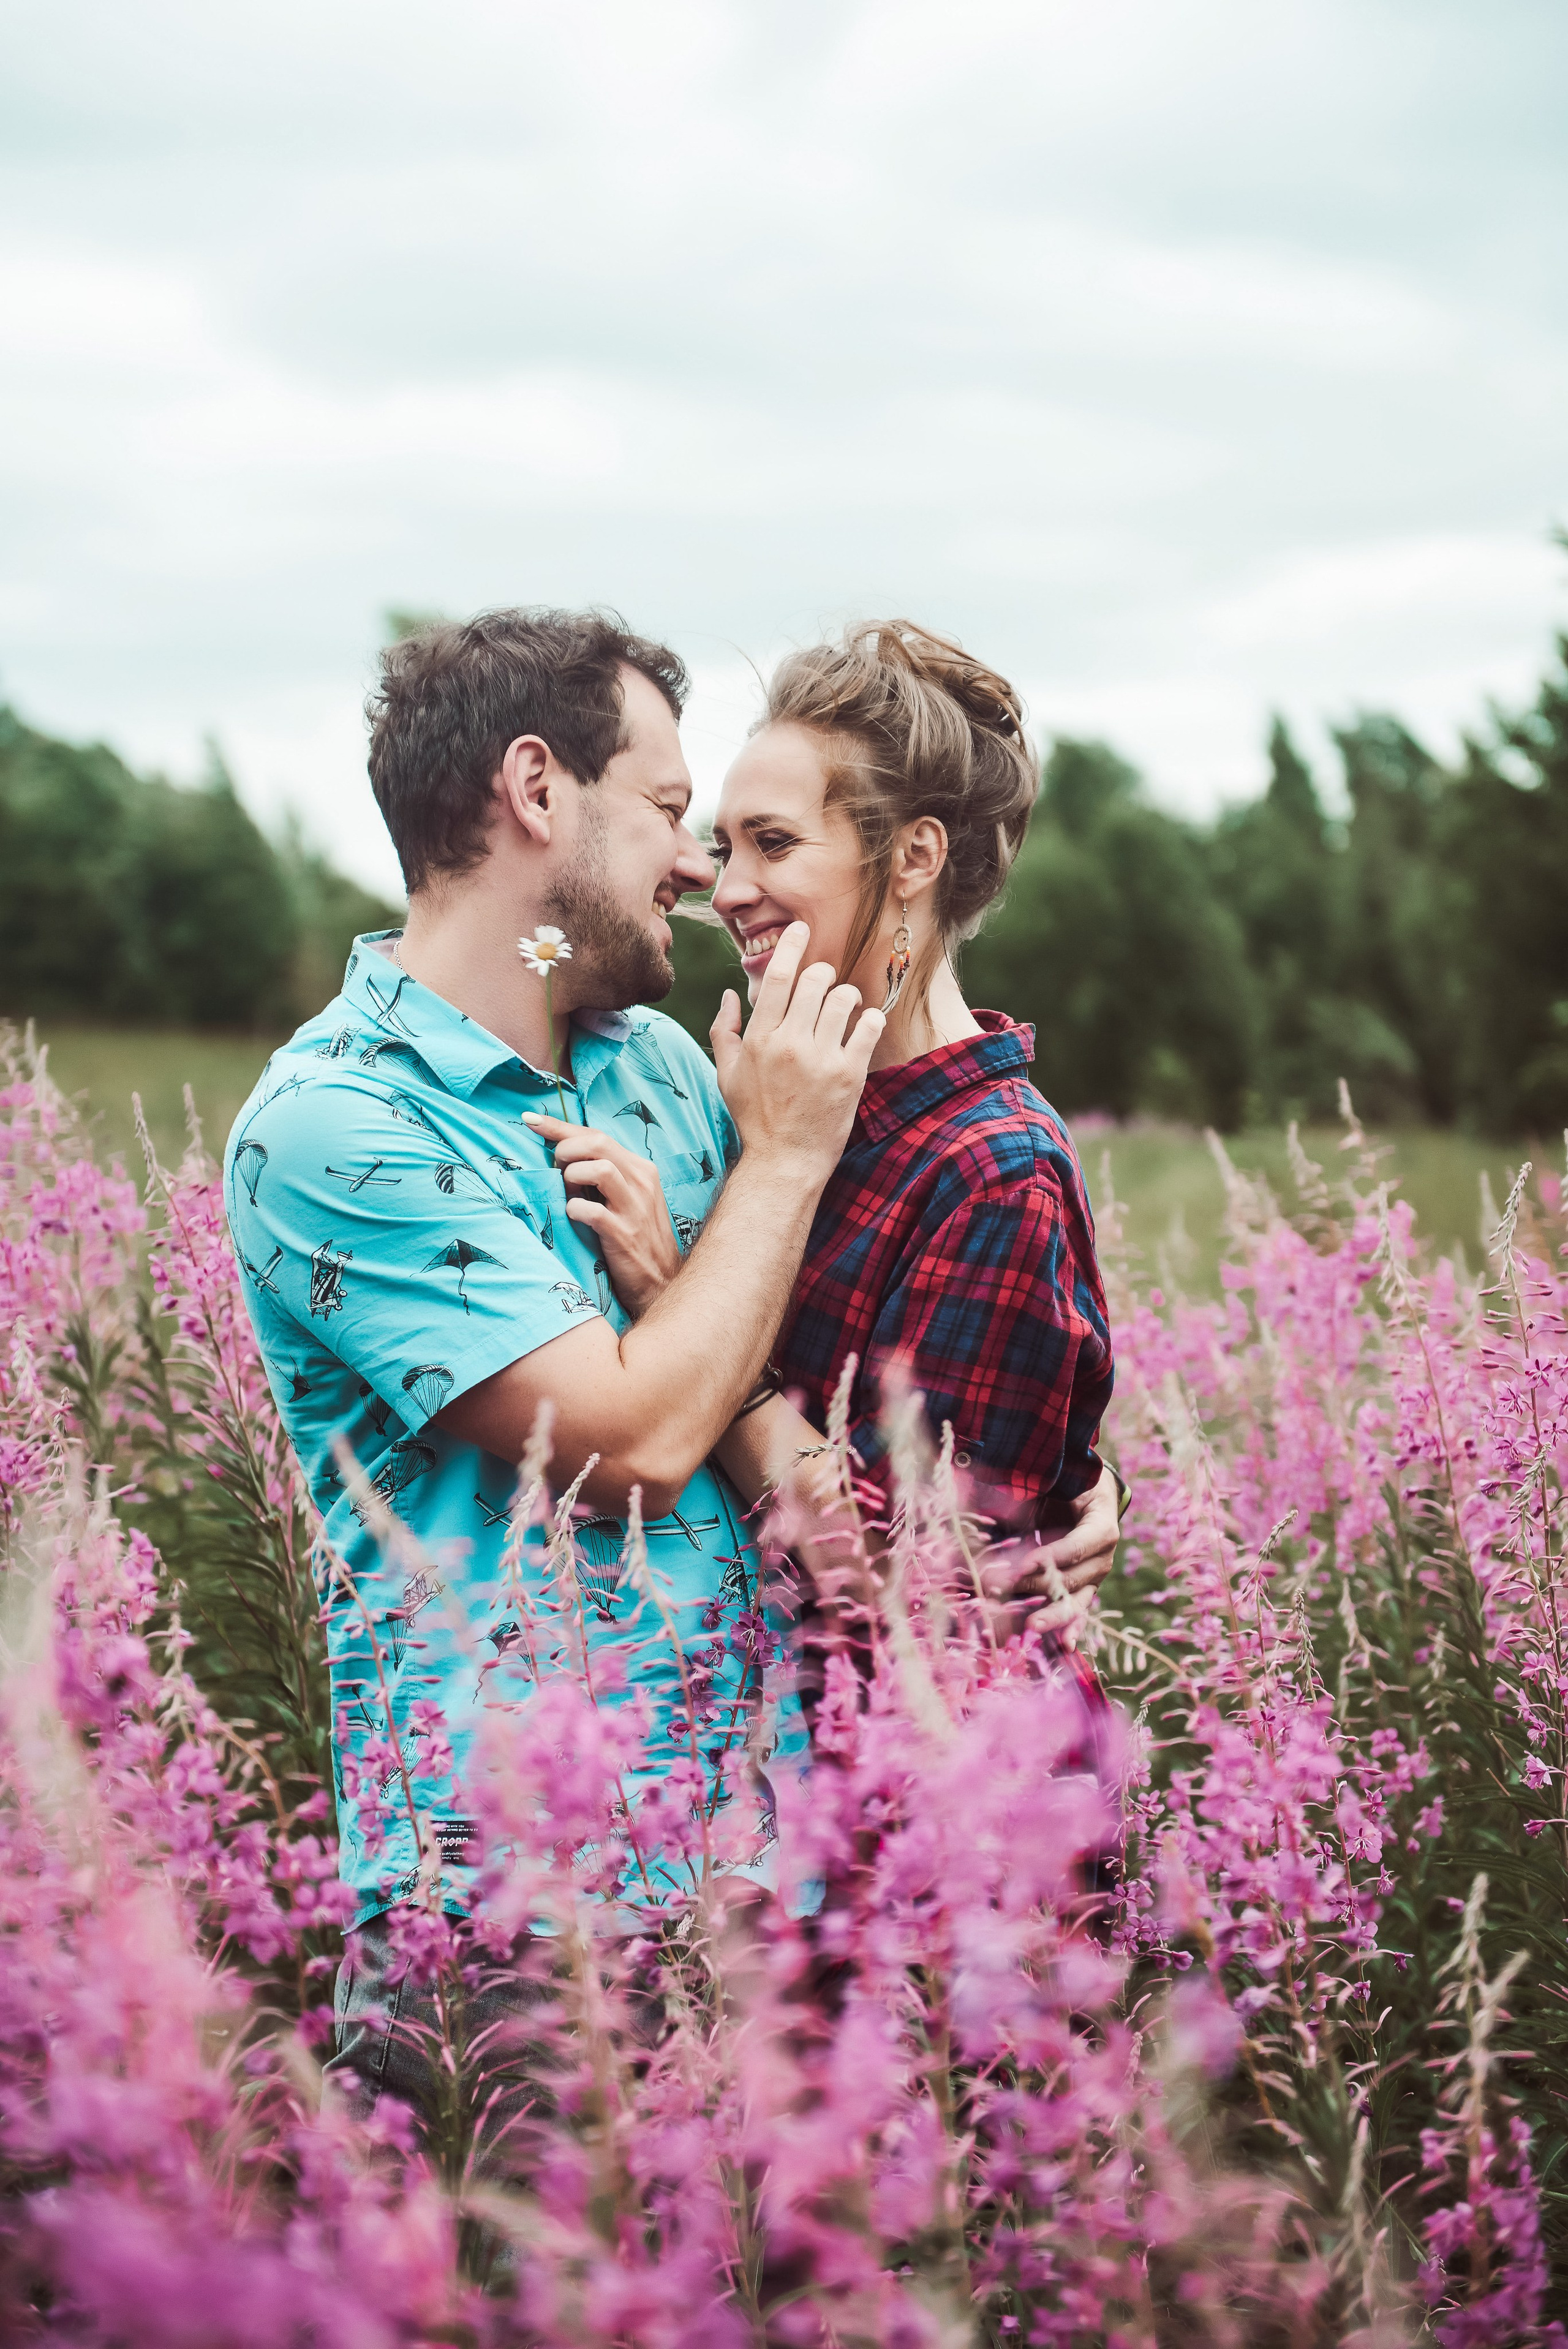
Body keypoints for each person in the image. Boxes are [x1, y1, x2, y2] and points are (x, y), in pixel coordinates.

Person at [223, 608, 884, 2122]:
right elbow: (636, 1440)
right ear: (536, 790)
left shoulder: (649, 1065)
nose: (702, 870)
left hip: (754, 1883)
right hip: (513, 1934)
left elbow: (794, 1423)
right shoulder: (336, 1123)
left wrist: (1067, 1474)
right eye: (666, 811)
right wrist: (781, 1162)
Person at [704, 621, 1119, 1607]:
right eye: (722, 847)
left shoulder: (992, 1169)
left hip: (923, 1755)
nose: (726, 890)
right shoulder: (771, 1100)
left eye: (772, 842)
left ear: (915, 855)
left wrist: (682, 1324)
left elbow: (914, 1574)